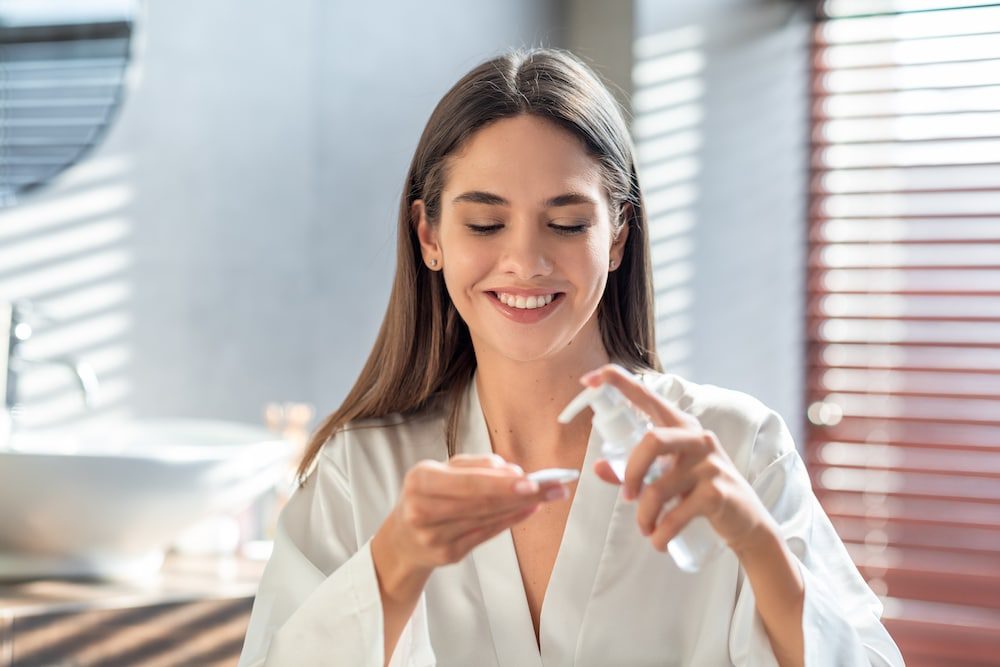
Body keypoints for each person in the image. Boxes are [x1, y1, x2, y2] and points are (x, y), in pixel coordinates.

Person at [237, 47, 904, 667]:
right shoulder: (361, 472)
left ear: (617, 236)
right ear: (429, 235)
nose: (525, 261)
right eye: (485, 223)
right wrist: (394, 563)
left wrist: (758, 546)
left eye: (566, 223)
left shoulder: (736, 447)